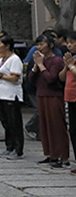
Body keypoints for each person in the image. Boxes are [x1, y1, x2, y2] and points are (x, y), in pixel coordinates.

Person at [29, 33, 69, 169]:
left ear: (50, 45)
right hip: (41, 94)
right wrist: (36, 66)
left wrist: (40, 65)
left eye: (42, 44)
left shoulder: (57, 61)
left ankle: (63, 157)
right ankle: (50, 154)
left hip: (53, 96)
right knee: (45, 127)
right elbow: (31, 79)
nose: (39, 47)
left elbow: (51, 78)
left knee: (56, 127)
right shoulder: (40, 60)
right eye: (37, 44)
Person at [0, 34, 24, 159]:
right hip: (1, 93)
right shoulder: (1, 59)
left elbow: (15, 77)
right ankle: (9, 146)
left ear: (7, 46)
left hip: (11, 94)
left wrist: (1, 76)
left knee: (14, 122)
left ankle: (18, 148)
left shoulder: (14, 59)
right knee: (6, 122)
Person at [60, 31, 76, 174]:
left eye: (72, 42)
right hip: (70, 97)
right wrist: (66, 65)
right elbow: (61, 77)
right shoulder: (71, 59)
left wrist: (71, 65)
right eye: (68, 42)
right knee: (73, 130)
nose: (69, 45)